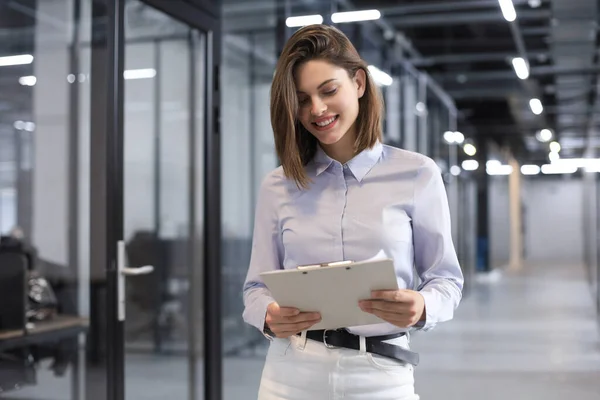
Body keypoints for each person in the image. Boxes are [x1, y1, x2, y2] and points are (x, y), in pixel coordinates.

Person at [242, 24, 464, 400]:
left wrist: (423, 306)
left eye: (328, 91)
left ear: (359, 83)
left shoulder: (417, 174)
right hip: (289, 374)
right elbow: (255, 288)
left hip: (380, 377)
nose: (317, 109)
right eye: (302, 99)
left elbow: (446, 280)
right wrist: (267, 314)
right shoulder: (278, 185)